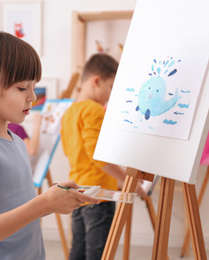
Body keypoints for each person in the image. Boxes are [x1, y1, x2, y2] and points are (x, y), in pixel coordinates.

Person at [0, 29, 99, 260]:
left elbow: (16, 212)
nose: (32, 96)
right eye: (22, 88)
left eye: (34, 87)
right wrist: (43, 204)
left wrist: (52, 201)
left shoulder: (17, 143)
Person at [60, 53, 146, 260]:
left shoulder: (70, 112)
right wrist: (127, 181)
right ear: (96, 81)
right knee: (98, 253)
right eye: (110, 88)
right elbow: (98, 157)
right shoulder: (94, 110)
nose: (110, 96)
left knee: (78, 249)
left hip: (77, 190)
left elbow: (71, 151)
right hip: (98, 195)